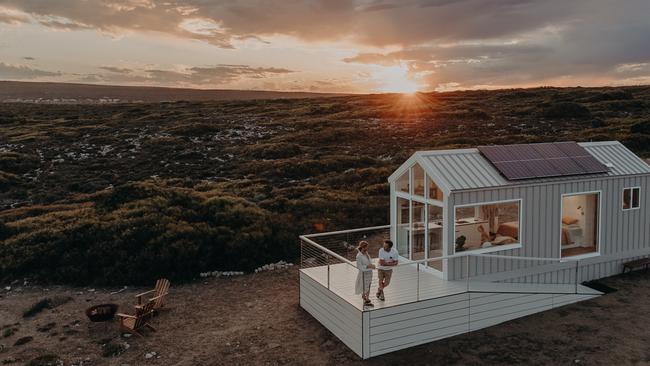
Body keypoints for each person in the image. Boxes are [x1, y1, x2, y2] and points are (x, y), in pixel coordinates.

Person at [355, 240, 375, 307]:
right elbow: (359, 266)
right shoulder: (358, 256)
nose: (367, 249)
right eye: (366, 247)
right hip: (364, 273)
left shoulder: (366, 253)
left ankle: (367, 298)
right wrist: (367, 266)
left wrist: (372, 265)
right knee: (364, 285)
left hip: (369, 272)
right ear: (363, 247)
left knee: (368, 285)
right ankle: (365, 299)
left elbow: (369, 261)